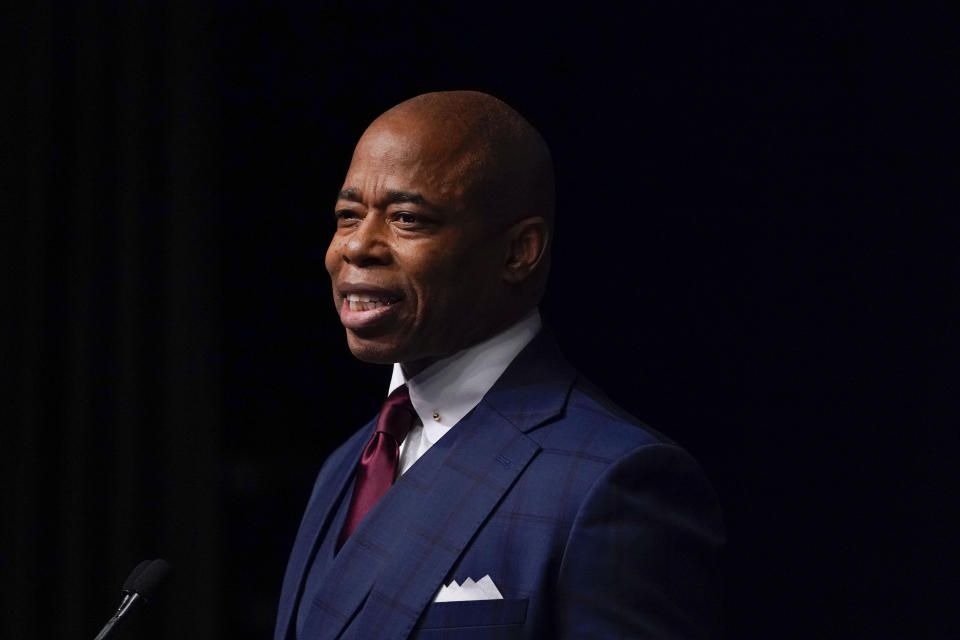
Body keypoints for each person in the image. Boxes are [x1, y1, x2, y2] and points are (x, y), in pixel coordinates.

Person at [274, 91, 724, 639]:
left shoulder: (616, 482)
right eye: (347, 216)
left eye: (407, 218)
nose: (357, 246)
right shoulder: (346, 466)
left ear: (519, 251)